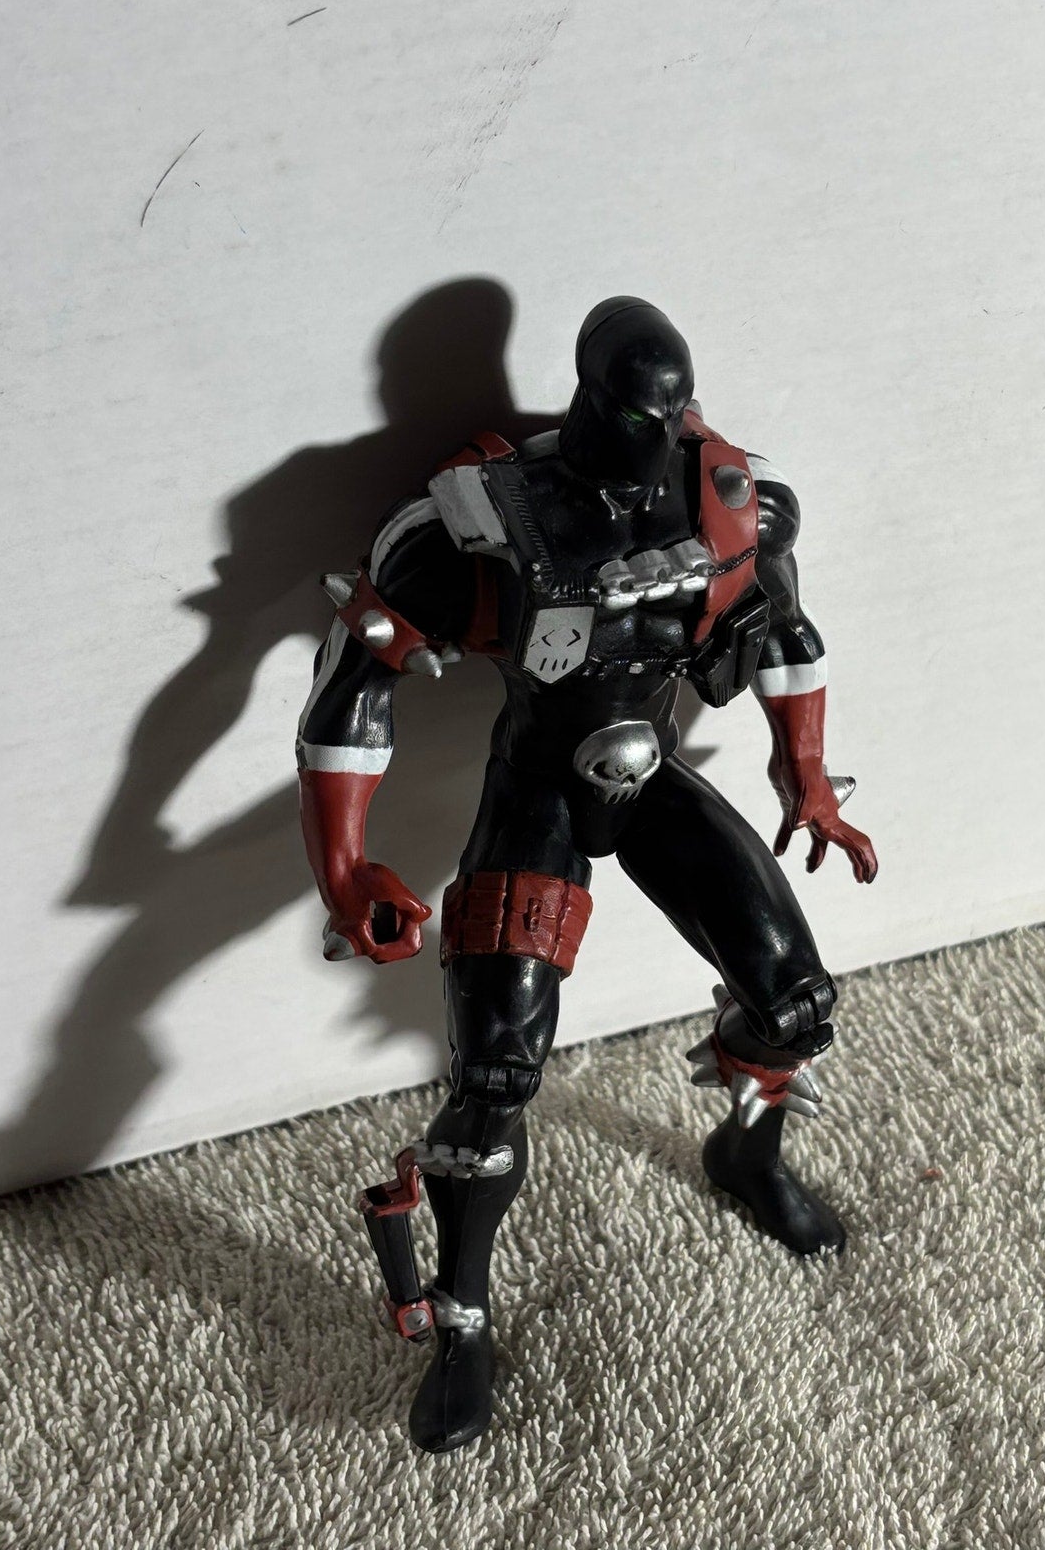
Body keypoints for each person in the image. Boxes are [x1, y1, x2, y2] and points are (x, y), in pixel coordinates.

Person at [298, 297, 877, 1451]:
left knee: (794, 1000)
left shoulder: (736, 499)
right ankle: (462, 1322)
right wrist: (346, 865)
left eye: (668, 414)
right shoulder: (474, 522)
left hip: (649, 775)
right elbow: (355, 678)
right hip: (539, 792)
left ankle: (745, 1150)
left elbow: (785, 631)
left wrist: (807, 779)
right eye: (634, 414)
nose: (653, 436)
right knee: (491, 1082)